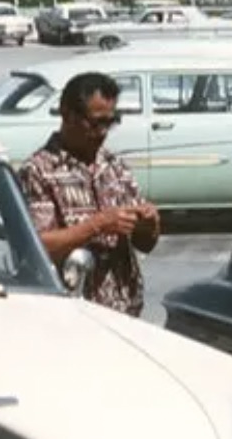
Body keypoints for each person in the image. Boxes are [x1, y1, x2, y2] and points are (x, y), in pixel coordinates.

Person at [20, 72, 160, 316]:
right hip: (71, 314)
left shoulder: (114, 166)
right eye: (95, 123)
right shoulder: (39, 171)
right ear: (67, 114)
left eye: (110, 121)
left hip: (124, 311)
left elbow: (145, 244)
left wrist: (148, 223)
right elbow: (36, 247)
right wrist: (98, 225)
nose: (103, 132)